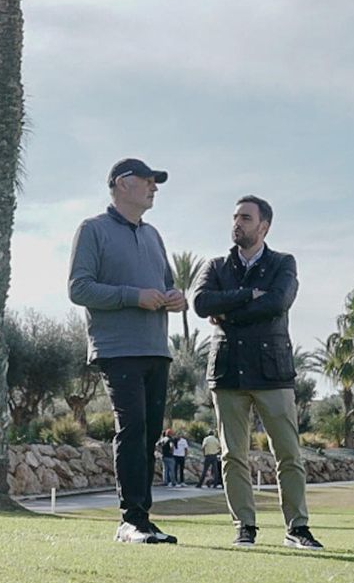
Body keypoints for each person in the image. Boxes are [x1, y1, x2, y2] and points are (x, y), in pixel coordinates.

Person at [193, 195, 322, 549]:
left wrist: (228, 310)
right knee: (232, 454)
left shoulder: (284, 263)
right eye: (235, 217)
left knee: (288, 454)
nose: (237, 223)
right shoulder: (216, 265)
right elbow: (202, 302)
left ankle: (297, 528)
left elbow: (277, 302)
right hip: (227, 373)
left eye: (245, 218)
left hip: (272, 372)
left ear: (264, 226)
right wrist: (250, 294)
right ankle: (244, 527)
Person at [68, 157, 185, 544]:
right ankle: (130, 520)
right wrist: (134, 297)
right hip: (118, 349)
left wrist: (174, 298)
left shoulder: (153, 235)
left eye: (156, 183)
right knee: (132, 428)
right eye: (148, 181)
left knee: (149, 434)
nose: (154, 188)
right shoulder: (92, 230)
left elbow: (166, 282)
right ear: (122, 184)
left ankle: (143, 520)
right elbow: (79, 289)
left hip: (156, 349)